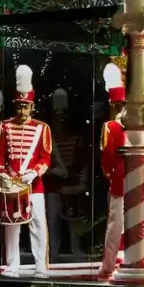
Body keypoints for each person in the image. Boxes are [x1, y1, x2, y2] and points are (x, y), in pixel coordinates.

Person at [98, 62, 144, 279]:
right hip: (143, 179)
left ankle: (107, 266)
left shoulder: (111, 127)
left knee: (115, 226)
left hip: (120, 182)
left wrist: (112, 175)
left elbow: (107, 160)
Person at [0, 65, 52, 278]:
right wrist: (3, 173)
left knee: (37, 226)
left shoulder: (42, 128)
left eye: (26, 106)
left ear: (32, 106)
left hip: (34, 185)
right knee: (11, 225)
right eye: (19, 106)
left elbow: (46, 157)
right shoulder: (5, 126)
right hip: (11, 184)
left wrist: (35, 172)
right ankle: (12, 265)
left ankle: (41, 267)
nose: (22, 111)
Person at [44, 87, 87, 262]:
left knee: (73, 218)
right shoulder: (48, 138)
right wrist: (51, 171)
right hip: (53, 183)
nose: (60, 122)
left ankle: (75, 248)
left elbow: (82, 161)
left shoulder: (76, 138)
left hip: (71, 181)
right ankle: (53, 250)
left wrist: (80, 180)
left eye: (63, 118)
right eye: (57, 118)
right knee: (52, 219)